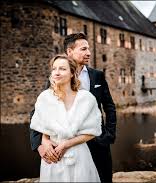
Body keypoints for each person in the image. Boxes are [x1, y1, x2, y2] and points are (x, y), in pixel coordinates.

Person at [30, 33, 117, 183]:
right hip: (63, 147)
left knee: (102, 178)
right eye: (83, 49)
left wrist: (108, 135)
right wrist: (40, 144)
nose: (88, 53)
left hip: (96, 141)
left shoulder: (97, 76)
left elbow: (109, 107)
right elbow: (39, 112)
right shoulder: (56, 78)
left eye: (88, 49)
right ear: (69, 52)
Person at [30, 54, 102, 182]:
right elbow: (40, 125)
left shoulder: (86, 99)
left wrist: (66, 145)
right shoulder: (44, 98)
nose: (56, 73)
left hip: (79, 155)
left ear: (72, 73)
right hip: (52, 157)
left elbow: (92, 131)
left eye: (62, 69)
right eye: (54, 69)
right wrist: (45, 141)